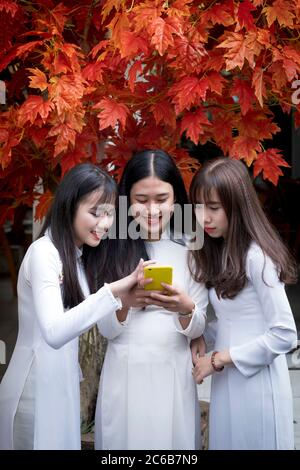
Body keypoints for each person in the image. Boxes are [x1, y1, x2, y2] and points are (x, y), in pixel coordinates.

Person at [0, 163, 150, 450]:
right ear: (69, 207)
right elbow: (54, 333)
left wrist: (123, 301)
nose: (104, 224)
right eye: (95, 213)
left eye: (109, 215)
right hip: (33, 389)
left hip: (62, 386)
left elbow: (99, 325)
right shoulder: (44, 253)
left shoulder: (80, 257)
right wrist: (113, 290)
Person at [94, 149, 208, 450]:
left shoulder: (191, 247)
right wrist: (126, 303)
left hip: (173, 371)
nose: (152, 209)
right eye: (141, 200)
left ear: (176, 199)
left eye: (162, 199)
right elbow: (105, 329)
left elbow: (199, 326)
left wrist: (184, 308)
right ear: (125, 200)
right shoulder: (111, 247)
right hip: (125, 371)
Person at [190, 157, 298, 450]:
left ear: (237, 205)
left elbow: (285, 334)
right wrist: (200, 335)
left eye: (213, 208)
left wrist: (219, 359)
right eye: (198, 207)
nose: (204, 218)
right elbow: (233, 319)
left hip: (257, 384)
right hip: (228, 383)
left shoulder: (257, 256)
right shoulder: (223, 251)